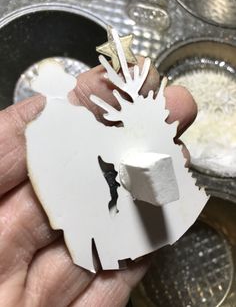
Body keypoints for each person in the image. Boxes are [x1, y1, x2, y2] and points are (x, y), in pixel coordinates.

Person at [0, 57, 196, 306]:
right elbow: (42, 170)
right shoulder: (37, 130)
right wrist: (58, 206)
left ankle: (107, 257)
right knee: (82, 242)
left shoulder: (80, 115)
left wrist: (135, 133)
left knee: (103, 238)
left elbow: (102, 141)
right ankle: (96, 257)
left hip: (97, 188)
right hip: (69, 196)